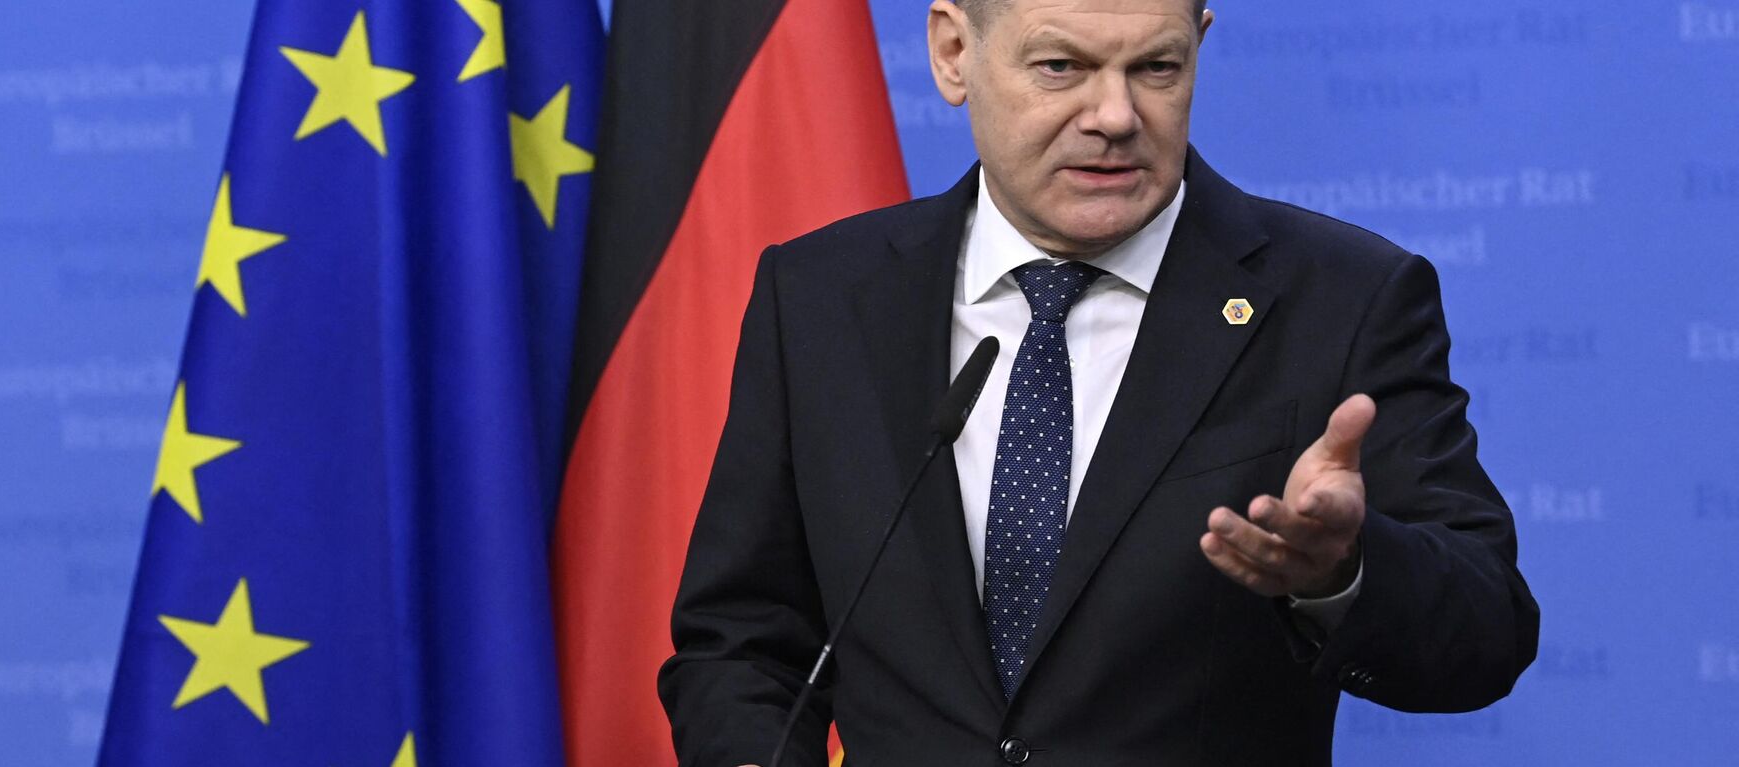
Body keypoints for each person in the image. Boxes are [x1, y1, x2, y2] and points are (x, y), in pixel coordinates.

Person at [658, 0, 1539, 764]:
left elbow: (1489, 627)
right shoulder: (821, 297)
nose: (1115, 114)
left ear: (1199, 44)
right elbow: (742, 637)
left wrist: (1341, 572)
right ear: (954, 53)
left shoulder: (1342, 299)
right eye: (1061, 66)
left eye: (1156, 67)